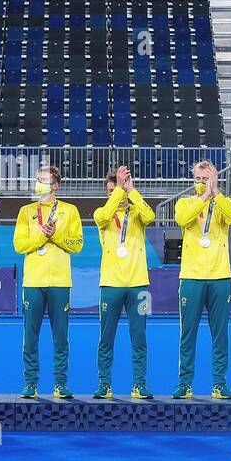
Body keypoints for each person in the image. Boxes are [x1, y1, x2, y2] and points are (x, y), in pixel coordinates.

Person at [13, 165, 84, 399]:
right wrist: (42, 235)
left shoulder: (70, 211)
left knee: (60, 336)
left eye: (44, 180)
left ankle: (60, 383)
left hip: (60, 282)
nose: (39, 183)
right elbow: (19, 246)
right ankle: (30, 383)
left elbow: (77, 245)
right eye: (38, 179)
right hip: (33, 282)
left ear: (55, 185)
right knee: (30, 335)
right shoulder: (26, 211)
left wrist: (56, 236)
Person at [173, 160, 231, 399]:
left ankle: (220, 384)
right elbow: (183, 220)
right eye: (199, 179)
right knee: (187, 333)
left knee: (220, 335)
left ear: (215, 179)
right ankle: (185, 383)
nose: (202, 183)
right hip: (191, 277)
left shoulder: (224, 203)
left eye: (206, 179)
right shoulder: (185, 203)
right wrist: (204, 197)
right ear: (193, 180)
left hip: (219, 276)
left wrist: (216, 192)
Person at [93, 164, 156, 399]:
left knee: (139, 338)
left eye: (116, 190)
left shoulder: (137, 214)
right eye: (110, 191)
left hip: (139, 284)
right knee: (106, 337)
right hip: (110, 284)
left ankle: (139, 384)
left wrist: (133, 193)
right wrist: (119, 189)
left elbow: (151, 215)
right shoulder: (102, 215)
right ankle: (104, 384)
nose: (114, 194)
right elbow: (104, 214)